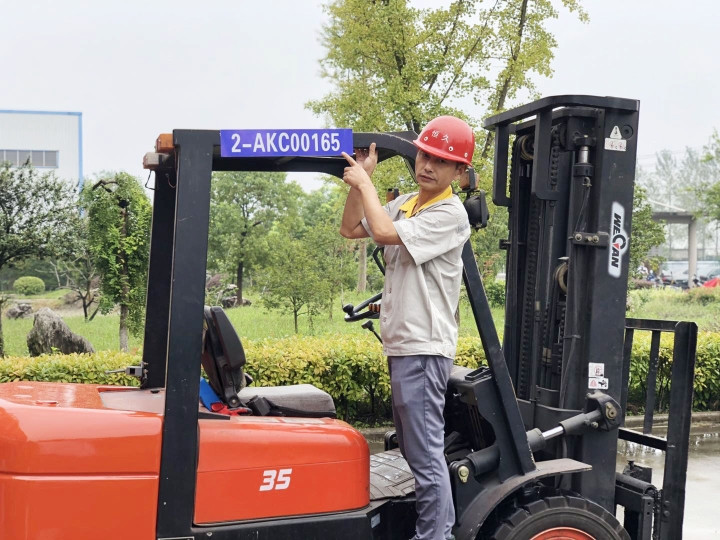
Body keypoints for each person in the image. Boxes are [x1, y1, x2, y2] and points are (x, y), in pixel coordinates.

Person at [339, 116, 474, 540]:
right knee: (416, 451)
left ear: (459, 171)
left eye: (441, 161)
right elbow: (351, 228)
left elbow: (381, 231)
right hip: (403, 346)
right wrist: (360, 183)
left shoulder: (449, 213)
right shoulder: (407, 204)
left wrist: (366, 183)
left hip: (423, 348)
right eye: (424, 155)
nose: (428, 165)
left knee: (425, 453)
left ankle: (434, 535)